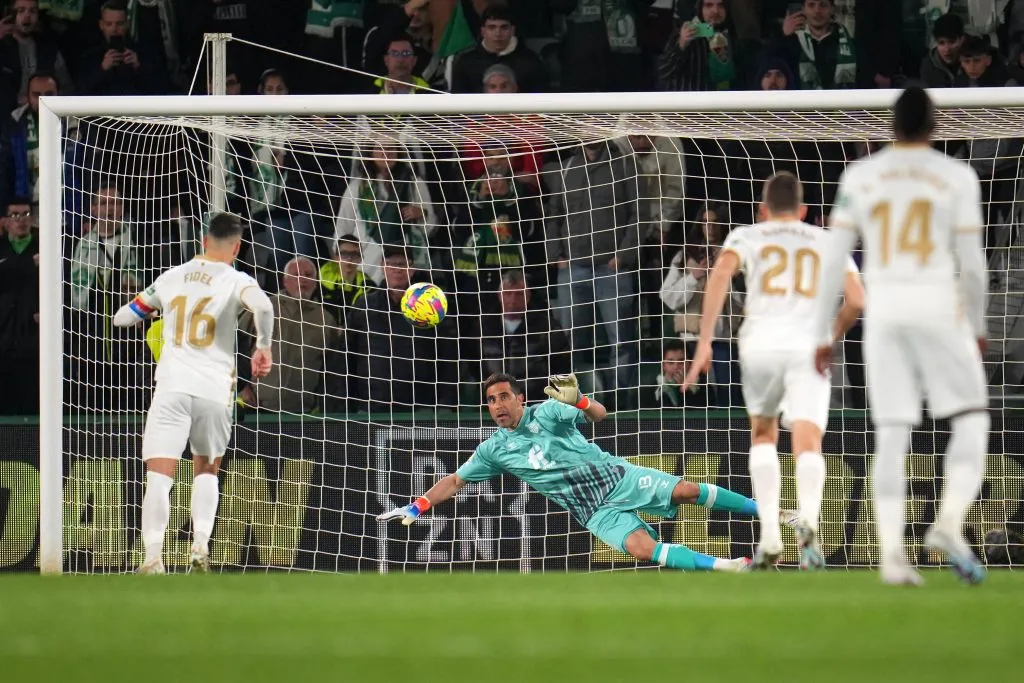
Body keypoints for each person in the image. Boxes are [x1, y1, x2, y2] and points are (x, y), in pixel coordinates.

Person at [813, 86, 989, 586]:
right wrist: (976, 326)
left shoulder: (860, 175)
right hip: (938, 303)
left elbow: (834, 258)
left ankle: (892, 557)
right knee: (971, 417)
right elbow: (973, 264)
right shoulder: (956, 175)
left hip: (885, 310)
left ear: (891, 128)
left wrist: (821, 335)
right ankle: (950, 522)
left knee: (892, 431)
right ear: (935, 126)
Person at [378, 372, 801, 572]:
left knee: (687, 490)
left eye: (505, 397)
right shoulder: (493, 450)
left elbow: (599, 415)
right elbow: (453, 481)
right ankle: (728, 567)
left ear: (521, 398)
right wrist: (416, 507)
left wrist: (579, 399)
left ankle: (777, 514)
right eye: (491, 401)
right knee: (640, 549)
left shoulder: (549, 412)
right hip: (592, 511)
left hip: (616, 477)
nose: (498, 406)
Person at [684, 172, 864, 570]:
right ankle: (811, 527)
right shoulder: (826, 239)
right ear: (804, 211)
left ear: (762, 210)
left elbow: (719, 276)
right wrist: (831, 336)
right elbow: (856, 298)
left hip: (761, 343)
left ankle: (769, 536)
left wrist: (705, 340)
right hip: (808, 345)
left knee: (763, 434)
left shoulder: (747, 235)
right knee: (808, 439)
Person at [112, 213, 275, 574]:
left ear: (204, 241)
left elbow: (123, 317)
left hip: (171, 387)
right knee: (207, 470)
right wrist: (262, 346)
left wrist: (155, 312)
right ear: (237, 246)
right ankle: (200, 545)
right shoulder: (237, 279)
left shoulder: (172, 277)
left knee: (159, 474)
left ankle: (153, 557)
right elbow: (263, 306)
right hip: (214, 391)